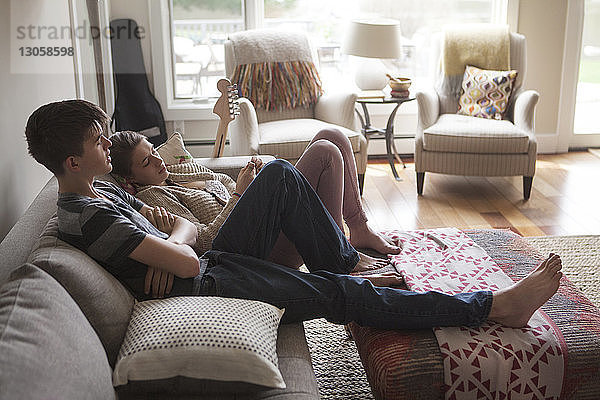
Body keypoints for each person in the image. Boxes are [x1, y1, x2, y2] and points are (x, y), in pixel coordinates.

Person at [24, 99, 563, 330]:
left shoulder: (99, 194)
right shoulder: (89, 216)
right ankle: (493, 307)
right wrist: (179, 248)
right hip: (207, 284)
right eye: (97, 140)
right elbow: (186, 263)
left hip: (203, 263)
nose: (103, 144)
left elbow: (179, 236)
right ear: (73, 160)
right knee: (339, 296)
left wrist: (178, 243)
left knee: (281, 175)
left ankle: (348, 257)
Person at [108, 128, 400, 269]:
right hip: (257, 251)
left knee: (332, 135)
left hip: (266, 223)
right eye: (146, 163)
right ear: (129, 179)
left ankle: (359, 230)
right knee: (325, 151)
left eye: (154, 151)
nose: (158, 161)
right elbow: (206, 242)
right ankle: (337, 258)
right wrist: (240, 192)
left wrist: (252, 182)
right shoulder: (155, 196)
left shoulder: (178, 170)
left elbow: (226, 188)